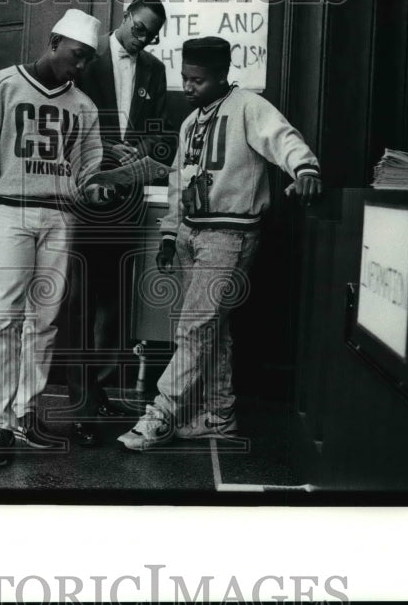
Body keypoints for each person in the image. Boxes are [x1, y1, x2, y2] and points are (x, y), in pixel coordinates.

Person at [117, 36, 323, 451]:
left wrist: (305, 169)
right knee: (214, 330)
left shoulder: (248, 105)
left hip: (231, 235)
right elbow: (179, 182)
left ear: (221, 76)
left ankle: (159, 415)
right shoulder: (190, 122)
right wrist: (170, 234)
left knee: (195, 328)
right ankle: (218, 416)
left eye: (197, 80)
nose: (188, 87)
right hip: (193, 233)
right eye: (185, 78)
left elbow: (282, 137)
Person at [0, 8, 105, 469]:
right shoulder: (1, 84)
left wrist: (100, 186)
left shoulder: (83, 106)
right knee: (2, 317)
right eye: (76, 56)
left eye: (88, 62)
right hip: (10, 212)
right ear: (54, 40)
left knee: (43, 321)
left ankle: (26, 412)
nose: (79, 67)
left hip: (61, 216)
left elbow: (87, 172)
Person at [64, 0, 173, 447]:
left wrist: (140, 152)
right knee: (82, 299)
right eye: (142, 28)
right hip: (85, 192)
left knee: (114, 301)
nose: (146, 38)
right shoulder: (87, 59)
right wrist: (107, 147)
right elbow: (69, 121)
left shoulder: (155, 70)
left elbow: (156, 131)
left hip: (126, 197)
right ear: (126, 15)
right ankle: (81, 399)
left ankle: (100, 387)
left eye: (153, 34)